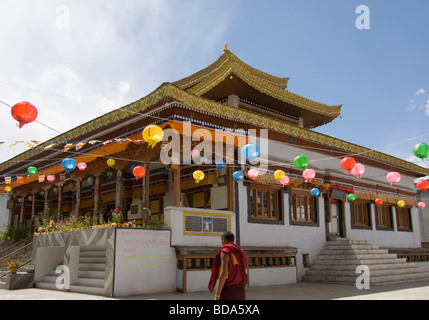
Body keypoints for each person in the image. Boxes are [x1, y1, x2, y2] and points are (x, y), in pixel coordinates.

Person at [208, 231, 248, 300]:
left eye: (222, 240)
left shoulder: (225, 251)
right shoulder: (240, 251)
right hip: (240, 289)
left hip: (228, 289)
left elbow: (223, 273)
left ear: (224, 239)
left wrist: (217, 294)